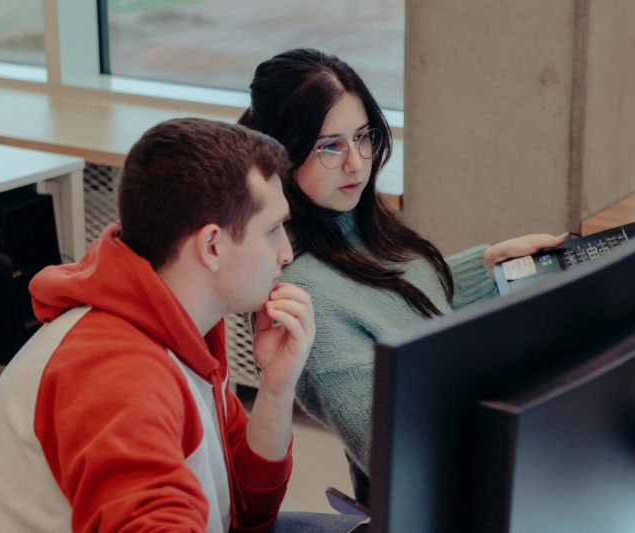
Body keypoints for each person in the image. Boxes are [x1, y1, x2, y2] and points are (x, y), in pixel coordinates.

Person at [0, 118, 364, 533]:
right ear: (212, 245)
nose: (286, 252)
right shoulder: (117, 374)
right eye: (273, 230)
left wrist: (275, 389)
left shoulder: (186, 325)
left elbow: (244, 513)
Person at [238, 48, 567, 504]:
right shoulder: (308, 291)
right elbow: (400, 451)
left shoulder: (350, 215)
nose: (356, 162)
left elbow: (393, 302)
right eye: (329, 146)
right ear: (284, 155)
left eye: (363, 137)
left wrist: (489, 264)